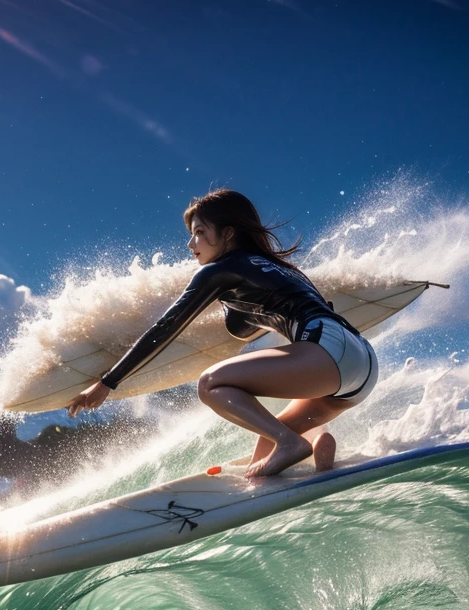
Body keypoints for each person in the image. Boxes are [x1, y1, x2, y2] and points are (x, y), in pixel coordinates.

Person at [67, 189, 378, 478]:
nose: (192, 245)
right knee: (268, 442)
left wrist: (108, 382)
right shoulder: (281, 269)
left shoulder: (217, 271)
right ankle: (315, 443)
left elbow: (167, 327)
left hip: (324, 349)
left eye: (200, 233)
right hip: (359, 361)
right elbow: (243, 328)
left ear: (228, 233)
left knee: (211, 383)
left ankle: (292, 443)